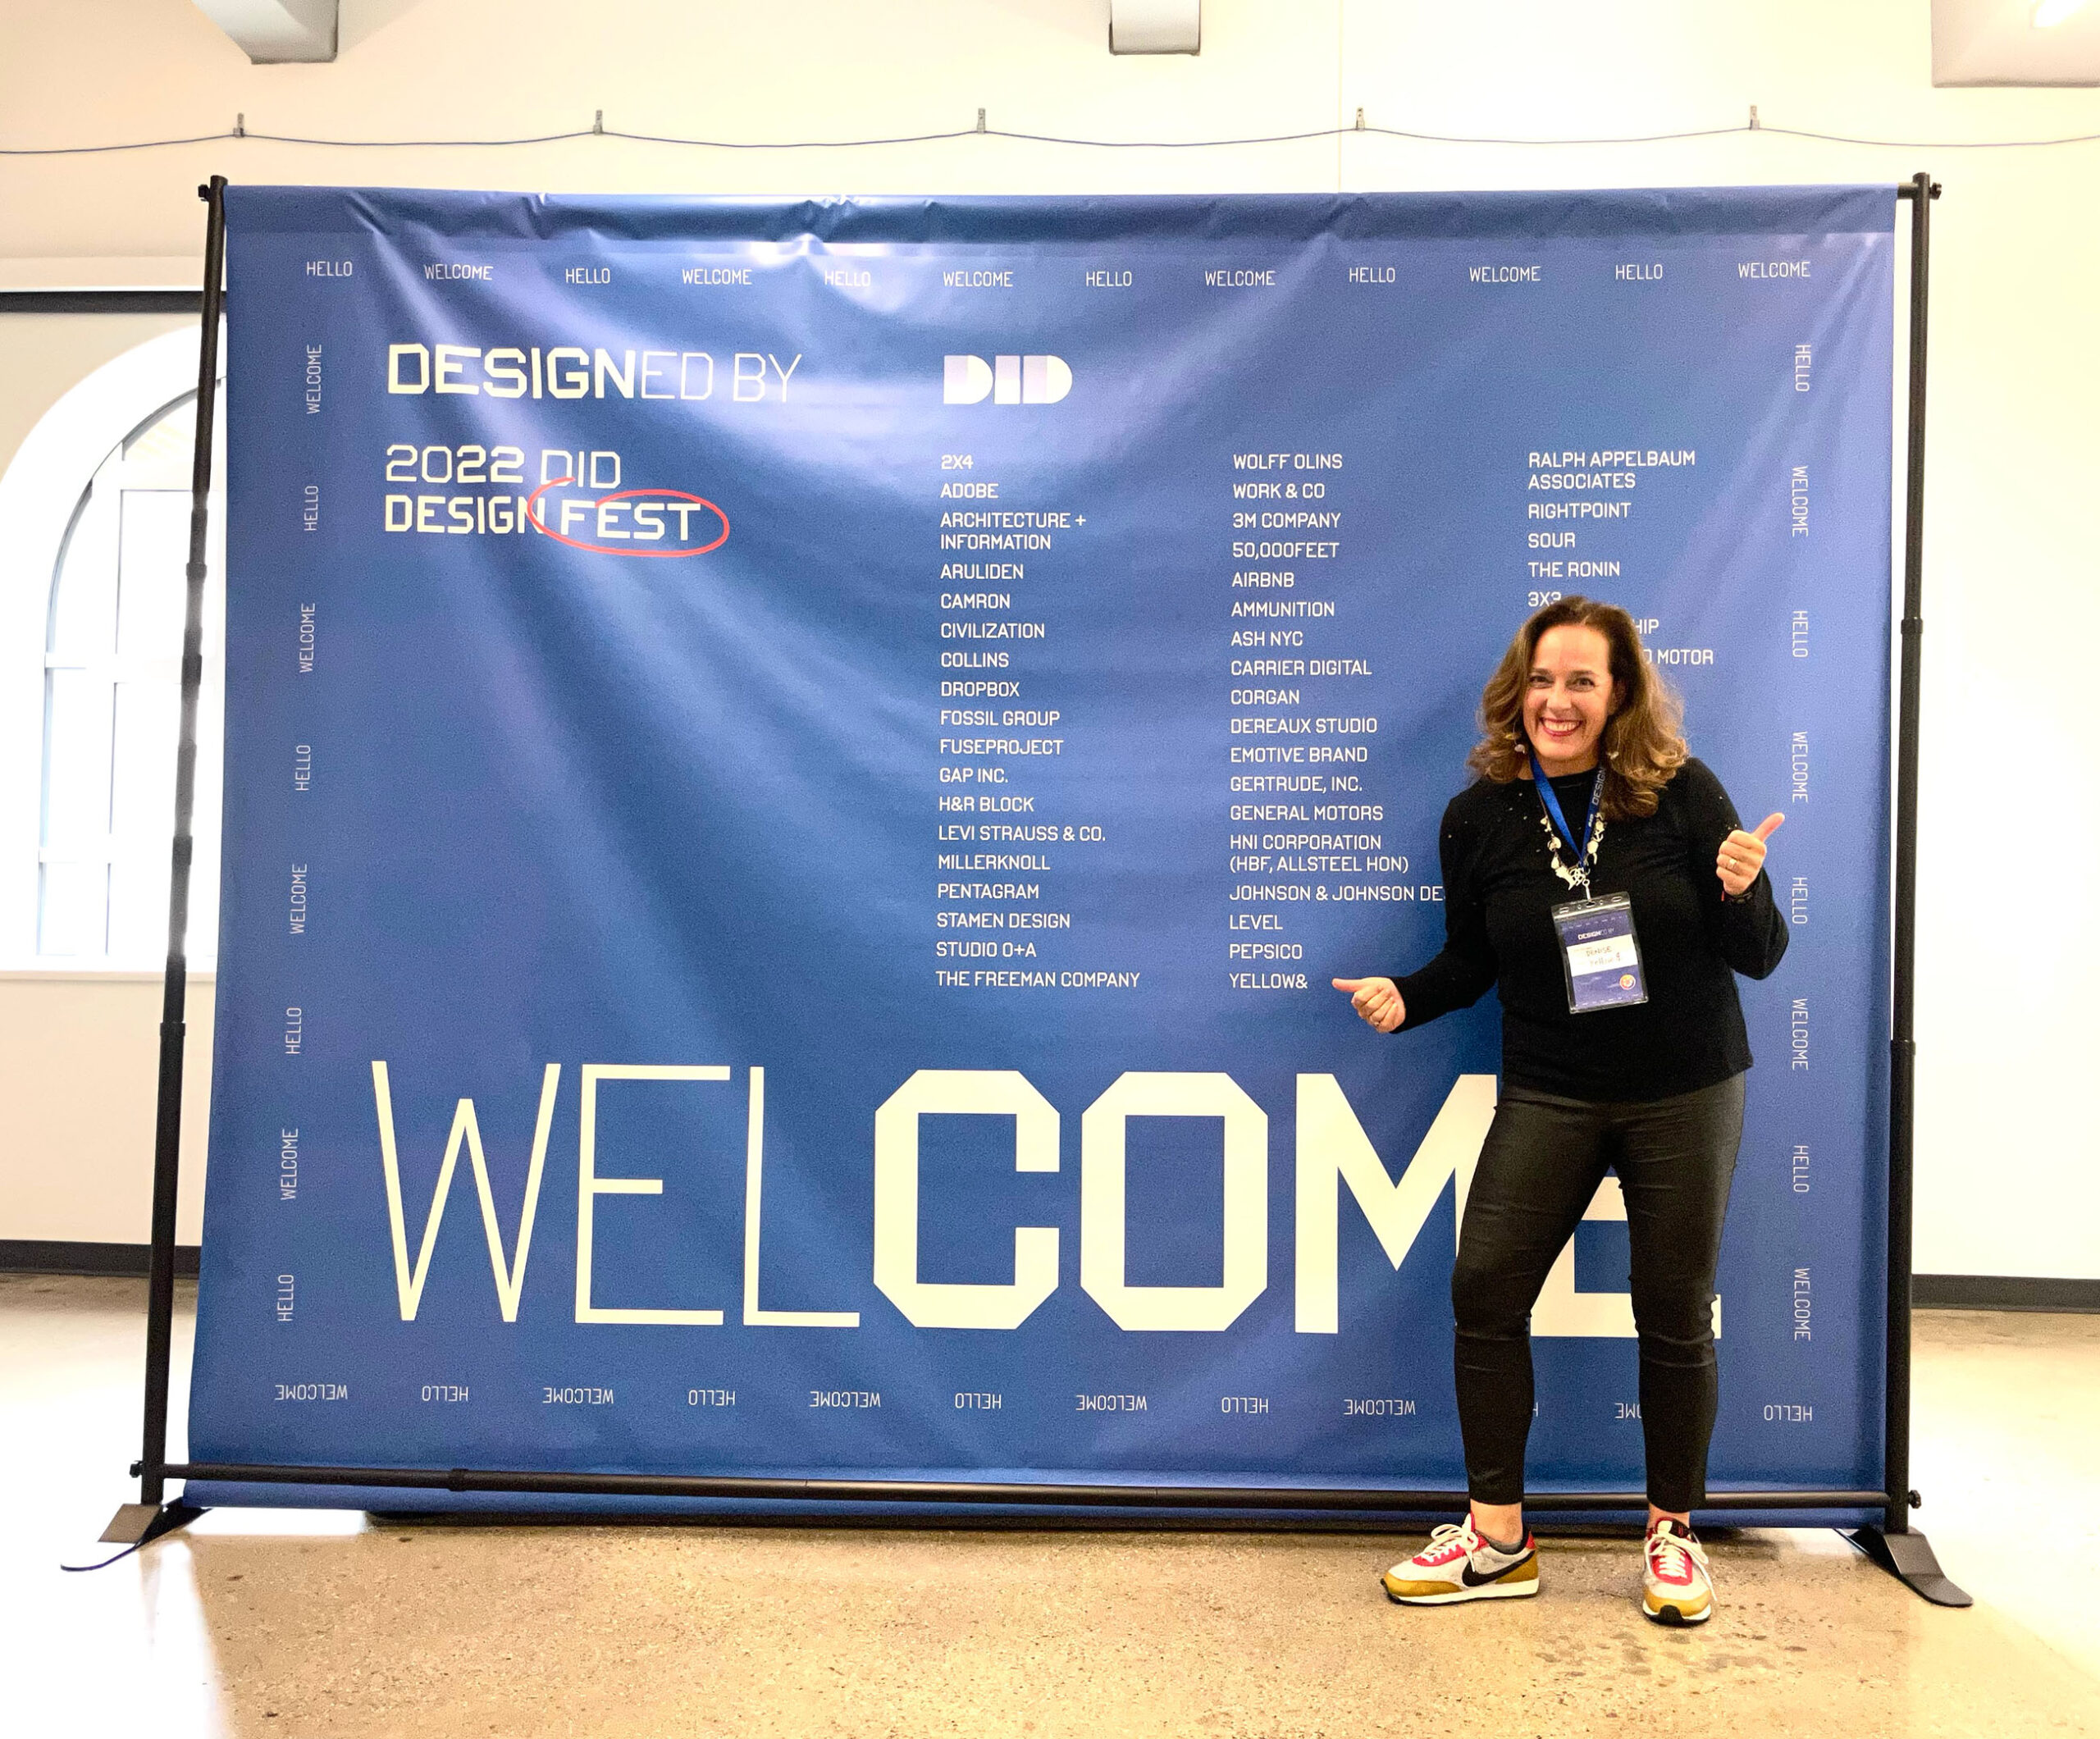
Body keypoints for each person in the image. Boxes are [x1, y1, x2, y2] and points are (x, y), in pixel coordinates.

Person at [1332, 596, 1787, 1627]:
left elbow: (1758, 954)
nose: (1557, 700)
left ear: (1618, 693)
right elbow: (1470, 959)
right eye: (1542, 679)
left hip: (1684, 1089)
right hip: (1550, 1089)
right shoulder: (1478, 815)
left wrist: (1740, 887)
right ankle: (1498, 1539)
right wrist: (1407, 996)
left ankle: (1671, 1532)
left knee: (1674, 1308)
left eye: (1582, 680)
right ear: (1517, 690)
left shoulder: (1679, 792)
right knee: (1484, 1286)